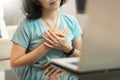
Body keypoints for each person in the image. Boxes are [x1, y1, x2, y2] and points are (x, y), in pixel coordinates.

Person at [10, 0, 83, 80]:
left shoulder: (71, 21)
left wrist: (67, 48)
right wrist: (47, 45)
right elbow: (15, 63)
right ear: (36, 1)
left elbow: (83, 57)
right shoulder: (26, 24)